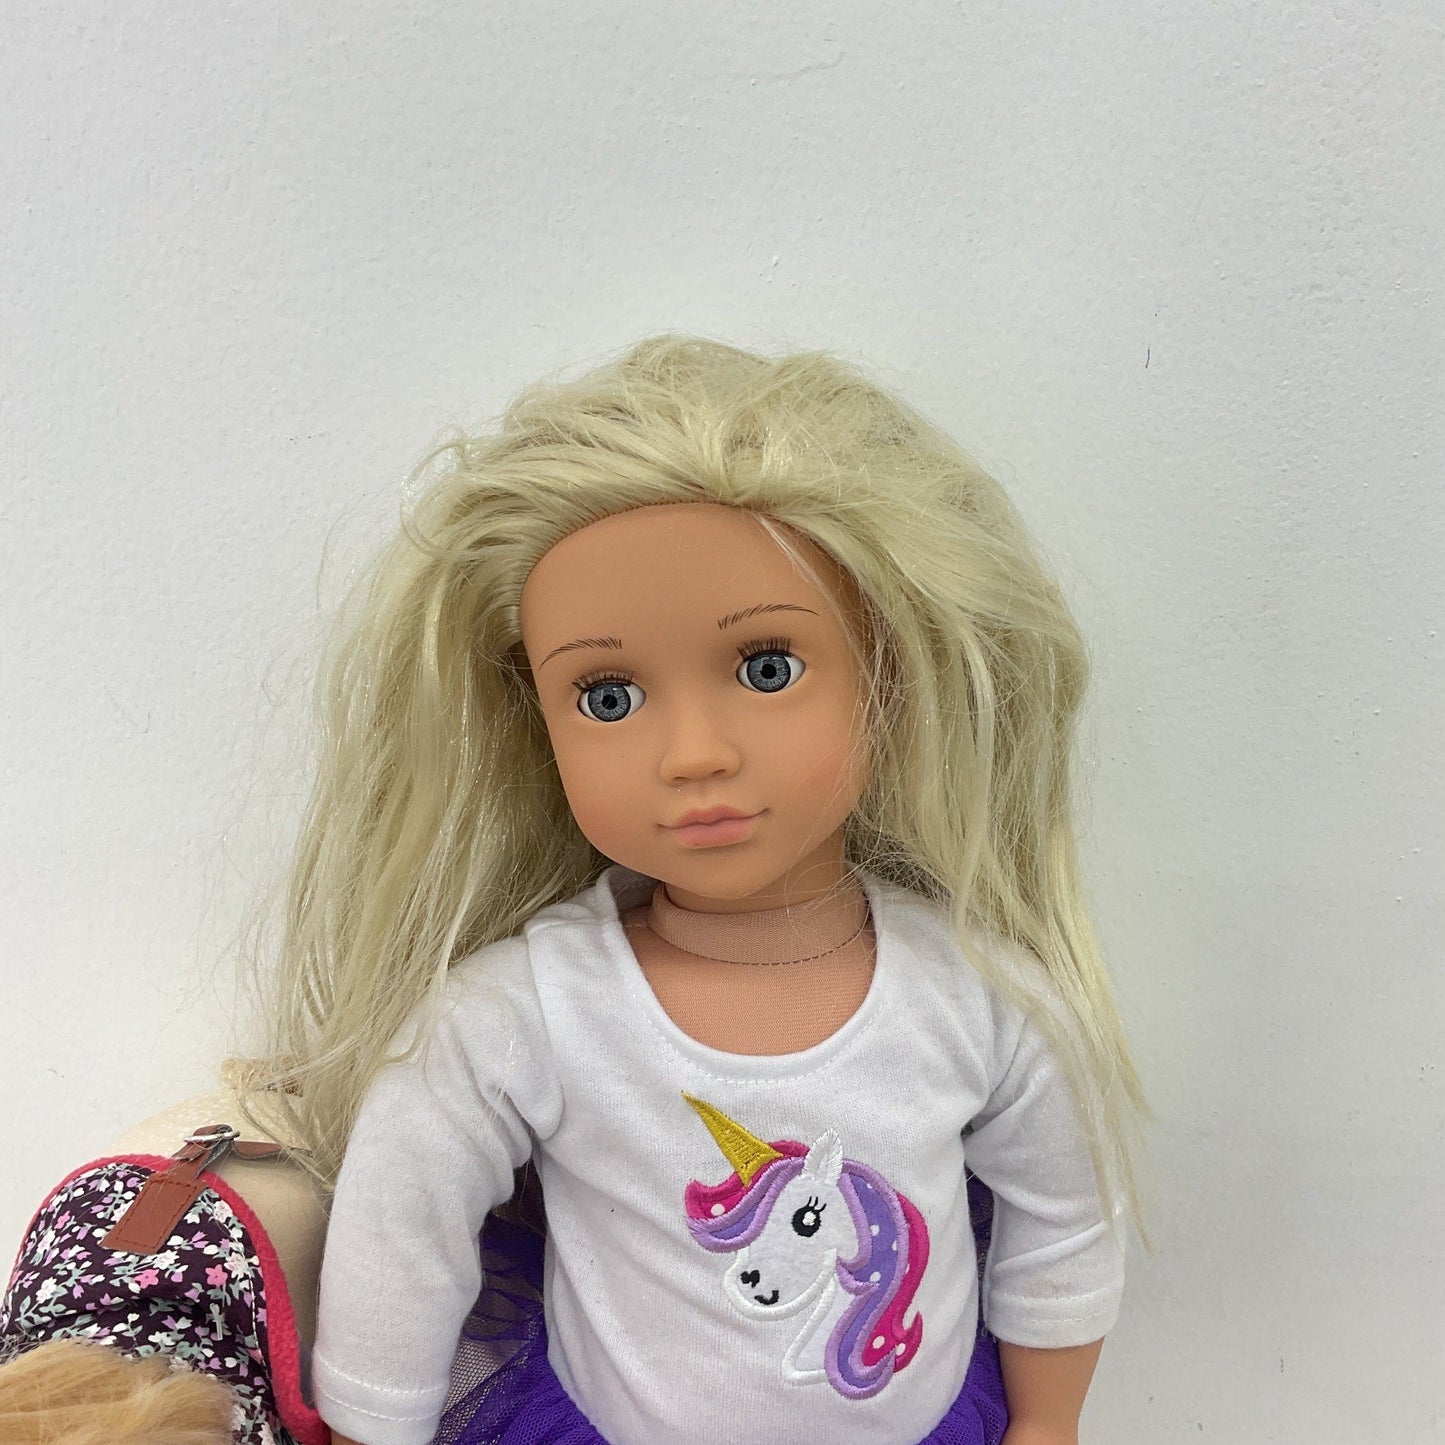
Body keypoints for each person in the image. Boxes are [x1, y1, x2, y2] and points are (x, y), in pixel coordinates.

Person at [283, 337, 1145, 1445]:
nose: (693, 753)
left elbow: (1062, 1219)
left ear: (887, 677)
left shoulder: (979, 993)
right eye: (605, 695)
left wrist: (1047, 1421)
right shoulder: (520, 1014)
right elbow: (400, 1235)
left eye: (766, 668)